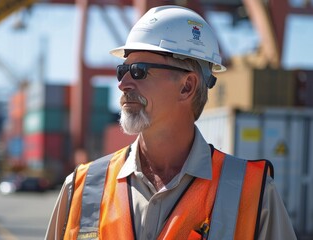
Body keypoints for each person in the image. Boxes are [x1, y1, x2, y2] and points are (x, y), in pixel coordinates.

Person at [46, 5, 297, 240]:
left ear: (187, 87)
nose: (122, 84)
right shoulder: (81, 187)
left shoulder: (255, 195)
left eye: (139, 71)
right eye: (122, 71)